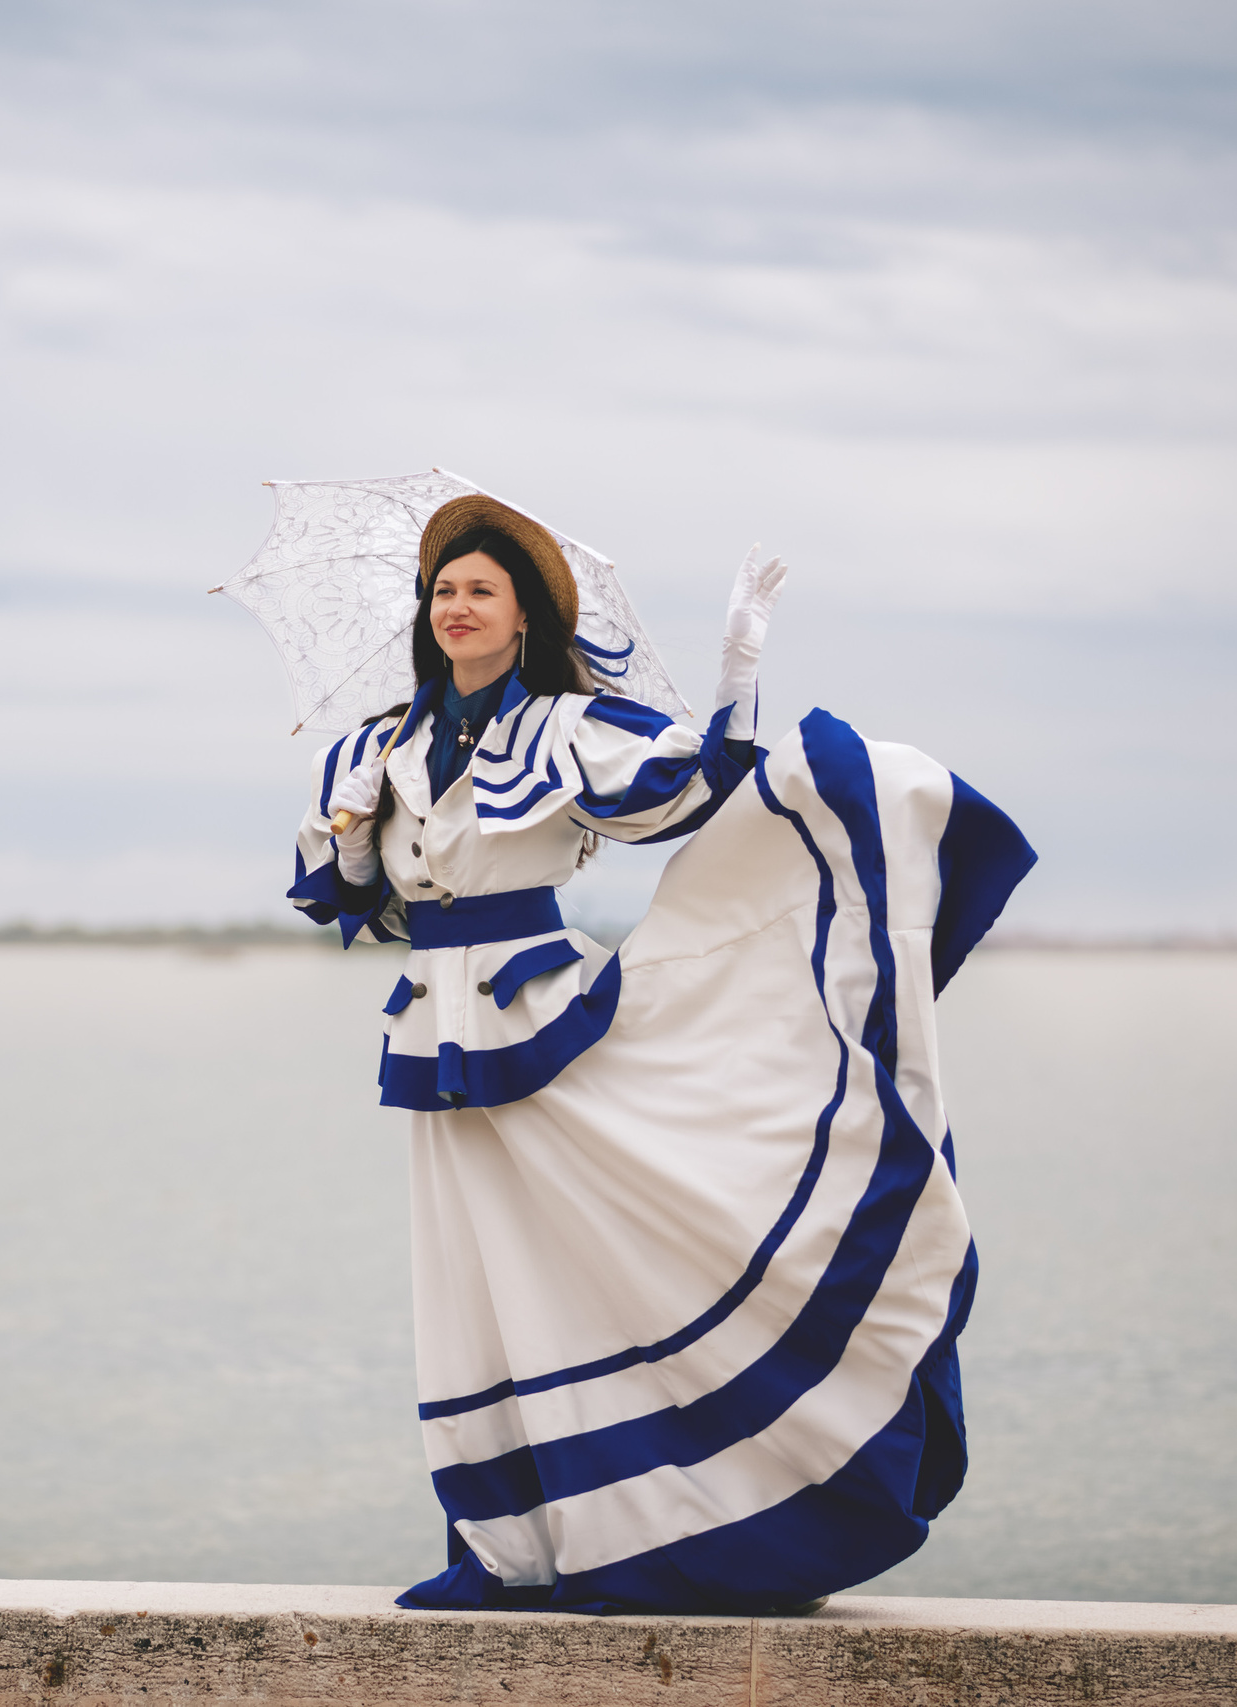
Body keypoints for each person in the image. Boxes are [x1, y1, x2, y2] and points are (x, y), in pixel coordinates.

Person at [286, 494, 1035, 1615]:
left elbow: (692, 790)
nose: (457, 605)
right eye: (443, 589)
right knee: (467, 1287)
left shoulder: (562, 729)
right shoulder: (376, 749)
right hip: (436, 1042)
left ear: (524, 617)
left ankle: (654, 1524)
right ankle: (503, 1549)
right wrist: (345, 834)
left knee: (585, 1268)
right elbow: (349, 902)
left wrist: (739, 665)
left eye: (481, 589)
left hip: (543, 1025)